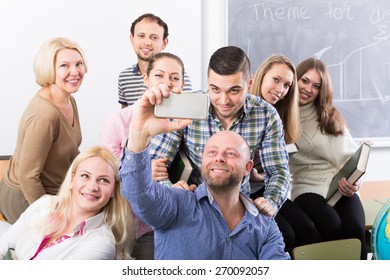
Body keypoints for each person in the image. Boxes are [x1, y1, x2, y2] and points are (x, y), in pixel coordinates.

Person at [118, 87, 290, 260]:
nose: (219, 158)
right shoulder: (177, 204)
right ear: (202, 163)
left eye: (231, 153)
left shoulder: (265, 227)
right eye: (212, 152)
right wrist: (138, 135)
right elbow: (138, 193)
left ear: (248, 167)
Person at [149, 46, 291, 217]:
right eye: (215, 89)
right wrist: (171, 191)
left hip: (239, 207)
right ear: (208, 82)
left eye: (234, 90)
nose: (224, 100)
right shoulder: (188, 107)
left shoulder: (266, 114)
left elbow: (278, 171)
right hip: (193, 205)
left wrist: (271, 201)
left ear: (250, 83)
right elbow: (154, 164)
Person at [100, 52, 188, 259]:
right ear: (146, 79)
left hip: (158, 225)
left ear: (182, 84)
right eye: (159, 75)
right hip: (120, 222)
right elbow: (107, 177)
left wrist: (174, 188)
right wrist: (144, 170)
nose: (167, 83)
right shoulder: (117, 121)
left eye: (175, 78)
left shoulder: (182, 124)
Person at [0, 37, 86, 224]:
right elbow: (28, 177)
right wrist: (49, 217)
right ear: (49, 69)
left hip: (54, 191)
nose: (75, 72)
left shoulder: (68, 99)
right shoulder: (44, 115)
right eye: (64, 66)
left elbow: (71, 150)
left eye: (79, 64)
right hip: (26, 196)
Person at [288, 57, 366, 259]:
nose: (308, 89)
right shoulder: (281, 114)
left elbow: (352, 158)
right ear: (295, 79)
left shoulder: (329, 116)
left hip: (338, 186)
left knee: (356, 230)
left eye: (316, 86)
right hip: (306, 187)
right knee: (332, 224)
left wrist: (355, 185)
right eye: (304, 81)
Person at [0, 146, 133, 260]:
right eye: (85, 176)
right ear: (72, 180)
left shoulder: (102, 243)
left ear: (114, 190)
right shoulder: (44, 205)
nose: (92, 187)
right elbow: (4, 245)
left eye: (103, 180)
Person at [250, 54, 320, 256]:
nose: (280, 89)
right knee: (286, 234)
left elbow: (278, 170)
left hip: (267, 187)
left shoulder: (279, 114)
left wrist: (263, 177)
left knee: (307, 228)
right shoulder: (242, 107)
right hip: (245, 191)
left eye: (287, 85)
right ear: (261, 76)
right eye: (276, 80)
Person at [118, 13, 192, 108]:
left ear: (164, 43)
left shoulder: (178, 78)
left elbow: (185, 115)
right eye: (141, 36)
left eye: (154, 38)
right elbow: (124, 118)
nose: (147, 42)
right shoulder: (124, 77)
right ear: (132, 39)